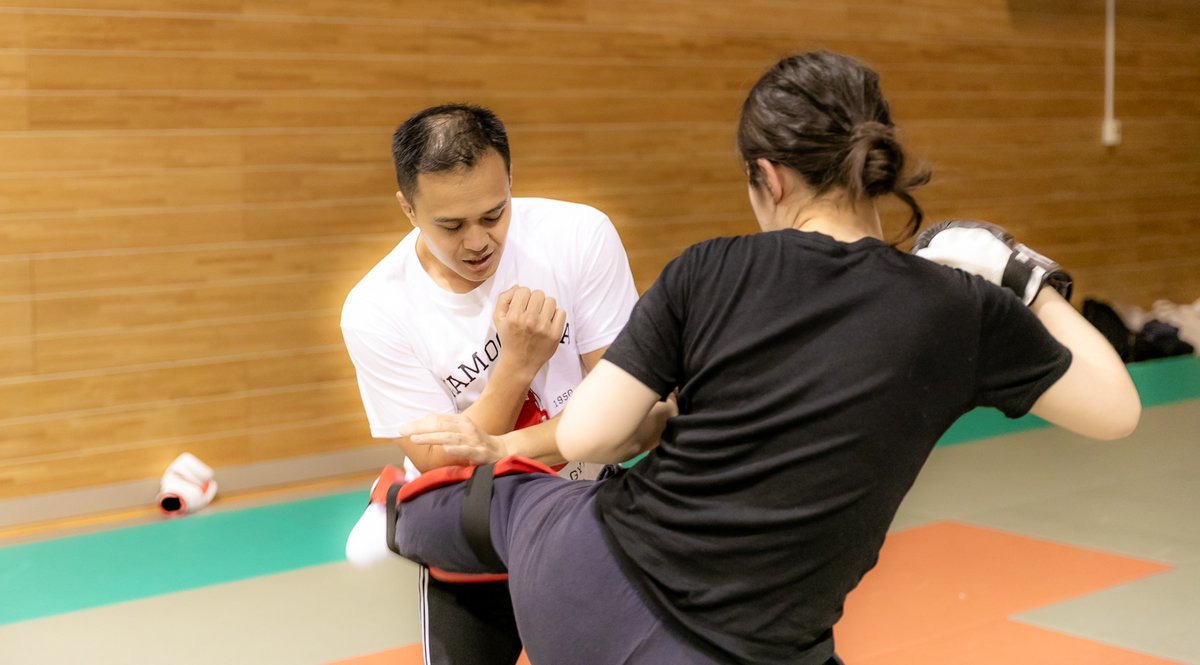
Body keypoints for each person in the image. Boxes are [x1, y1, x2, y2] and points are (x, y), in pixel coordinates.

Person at [380, 52, 1141, 664]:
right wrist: (1023, 281)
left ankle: (394, 511)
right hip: (756, 640)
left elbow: (590, 440)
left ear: (768, 176)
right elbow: (1117, 412)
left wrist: (516, 442)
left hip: (585, 585)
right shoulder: (959, 306)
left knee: (512, 502)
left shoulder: (709, 266)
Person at [339, 103, 641, 665]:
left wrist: (498, 446)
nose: (478, 242)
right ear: (408, 208)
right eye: (450, 225)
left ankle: (392, 501)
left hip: (585, 500)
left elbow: (626, 416)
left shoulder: (577, 235)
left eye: (494, 214)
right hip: (472, 523)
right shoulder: (376, 307)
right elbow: (441, 464)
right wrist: (517, 365)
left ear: (510, 182)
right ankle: (397, 500)